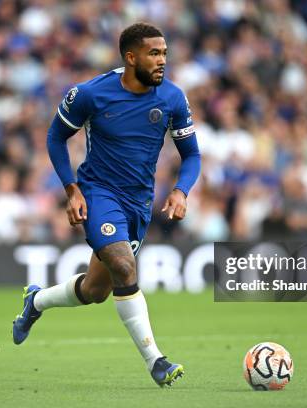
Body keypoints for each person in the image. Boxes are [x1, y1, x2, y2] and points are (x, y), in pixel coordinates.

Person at [12, 23, 201, 387]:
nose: (163, 60)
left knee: (96, 291)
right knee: (124, 267)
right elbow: (56, 136)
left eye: (164, 53)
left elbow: (191, 154)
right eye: (154, 53)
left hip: (138, 203)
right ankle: (156, 361)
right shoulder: (90, 94)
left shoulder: (173, 98)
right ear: (131, 58)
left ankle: (35, 303)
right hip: (99, 193)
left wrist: (181, 190)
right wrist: (72, 190)